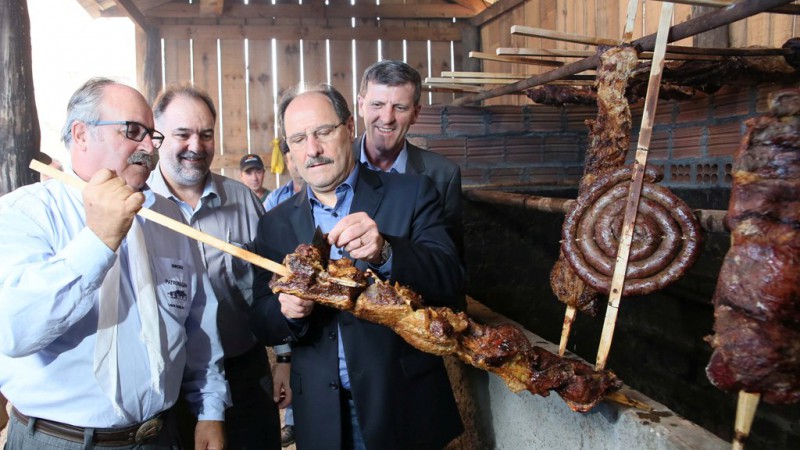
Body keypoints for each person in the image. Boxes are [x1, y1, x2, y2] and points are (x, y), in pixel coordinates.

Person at [0, 77, 230, 449]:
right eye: (132, 131)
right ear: (81, 134)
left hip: (160, 436)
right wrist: (98, 241)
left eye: (152, 135)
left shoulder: (168, 216)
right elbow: (13, 331)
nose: (148, 147)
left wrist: (210, 410)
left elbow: (198, 321)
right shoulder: (25, 213)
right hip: (60, 440)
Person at [249, 83, 465, 450]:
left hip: (402, 407)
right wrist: (287, 312)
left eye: (323, 132)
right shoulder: (274, 224)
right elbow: (261, 317)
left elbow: (451, 281)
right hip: (320, 414)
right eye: (298, 139)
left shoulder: (412, 193)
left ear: (350, 127)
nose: (312, 150)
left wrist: (387, 251)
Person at [148, 84, 288, 449]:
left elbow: (273, 283)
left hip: (245, 371)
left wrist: (285, 357)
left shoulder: (242, 199)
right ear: (157, 135)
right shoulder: (137, 205)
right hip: (167, 386)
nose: (196, 146)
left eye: (206, 135)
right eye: (183, 134)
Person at [355, 59, 463, 256]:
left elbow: (449, 262)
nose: (387, 118)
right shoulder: (333, 165)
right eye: (377, 105)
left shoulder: (444, 175)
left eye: (400, 107)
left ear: (415, 113)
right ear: (361, 105)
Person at [264, 139, 304, 212]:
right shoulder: (275, 199)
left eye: (301, 157)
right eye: (293, 159)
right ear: (287, 163)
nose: (298, 163)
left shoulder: (323, 194)